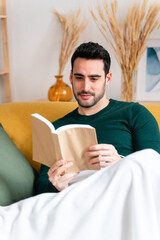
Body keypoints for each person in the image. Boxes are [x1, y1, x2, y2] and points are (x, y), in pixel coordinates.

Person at [36, 41, 160, 194]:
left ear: (107, 79)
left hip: (120, 197)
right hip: (72, 201)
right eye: (79, 78)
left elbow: (155, 171)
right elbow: (40, 188)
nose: (86, 87)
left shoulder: (135, 113)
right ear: (71, 77)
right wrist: (58, 186)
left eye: (94, 78)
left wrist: (121, 163)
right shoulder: (56, 128)